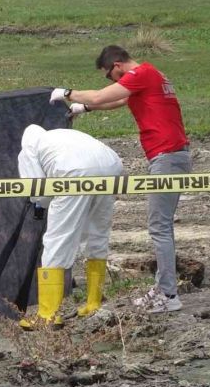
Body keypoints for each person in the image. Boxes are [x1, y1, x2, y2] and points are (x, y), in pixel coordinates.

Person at [50, 45, 191, 314]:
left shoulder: (141, 73)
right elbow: (117, 100)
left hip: (167, 157)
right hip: (169, 156)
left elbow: (102, 95)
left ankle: (168, 294)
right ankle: (164, 288)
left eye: (109, 76)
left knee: (159, 227)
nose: (111, 81)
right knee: (161, 226)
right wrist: (85, 108)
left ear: (117, 65)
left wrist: (67, 93)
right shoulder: (151, 75)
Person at [17, 125, 124, 327]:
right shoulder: (63, 137)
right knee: (98, 234)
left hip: (74, 172)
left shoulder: (29, 148)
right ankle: (94, 304)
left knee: (57, 240)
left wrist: (42, 205)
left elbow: (38, 190)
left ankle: (48, 314)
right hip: (112, 167)